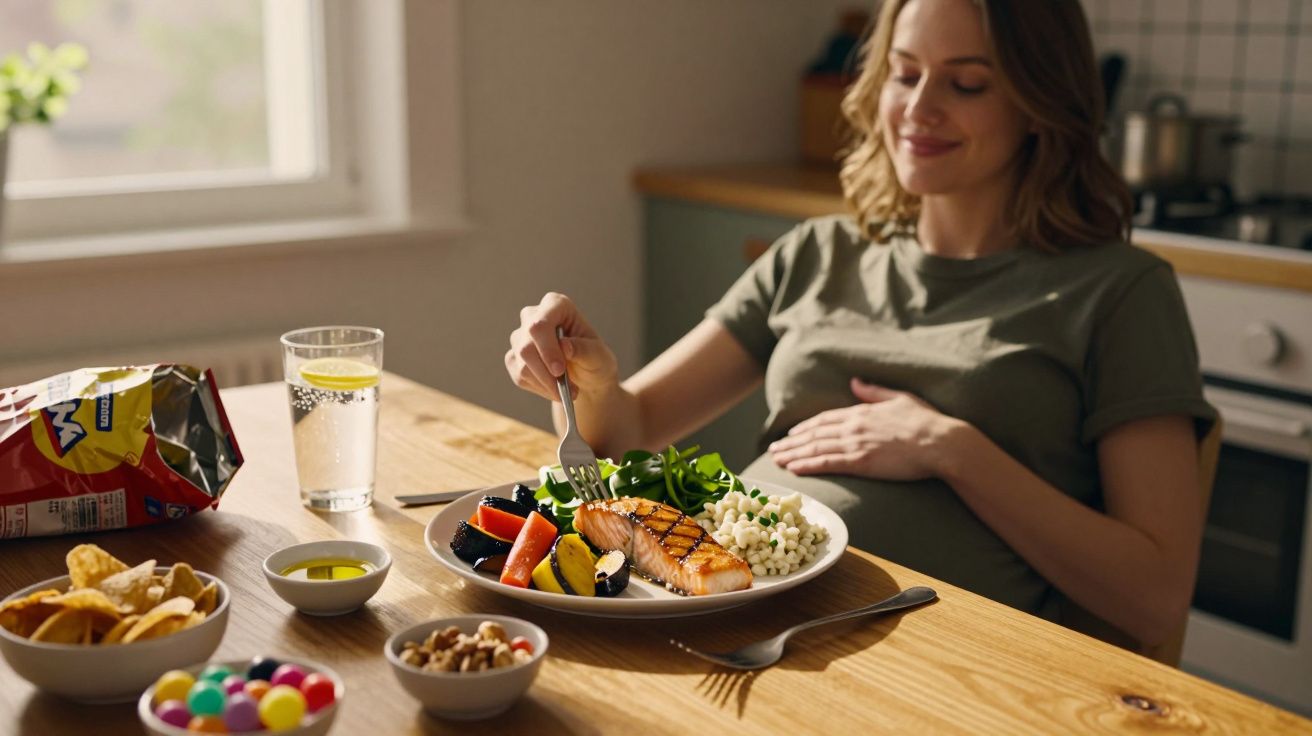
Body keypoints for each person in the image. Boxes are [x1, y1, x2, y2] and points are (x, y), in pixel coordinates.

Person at [503, 0, 1216, 652]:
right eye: (904, 75)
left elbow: (1153, 598)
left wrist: (950, 449)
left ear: (1041, 104)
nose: (918, 109)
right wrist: (591, 379)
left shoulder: (1121, 292)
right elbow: (630, 429)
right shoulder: (817, 253)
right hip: (728, 625)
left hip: (937, 668)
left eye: (966, 85)